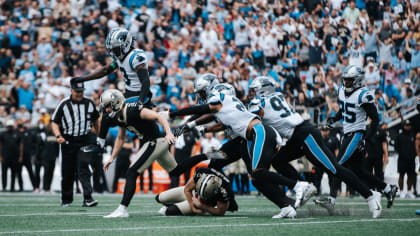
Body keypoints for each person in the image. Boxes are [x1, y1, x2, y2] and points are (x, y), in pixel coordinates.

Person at [167, 74, 316, 219]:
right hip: (245, 141)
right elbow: (211, 119)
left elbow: (202, 111)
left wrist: (173, 114)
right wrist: (192, 126)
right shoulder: (227, 107)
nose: (200, 97)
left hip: (254, 137)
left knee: (253, 172)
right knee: (250, 176)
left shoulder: (220, 100)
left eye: (201, 93)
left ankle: (297, 185)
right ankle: (286, 206)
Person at [248, 76, 384, 218]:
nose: (251, 93)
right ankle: (303, 186)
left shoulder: (259, 102)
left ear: (262, 90)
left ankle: (370, 195)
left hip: (306, 135)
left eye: (254, 90)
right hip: (297, 136)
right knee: (277, 160)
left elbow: (252, 118)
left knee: (334, 169)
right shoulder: (278, 95)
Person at [99, 89, 220, 218]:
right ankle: (207, 155)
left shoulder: (132, 110)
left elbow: (159, 116)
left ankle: (122, 209)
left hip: (155, 141)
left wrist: (168, 133)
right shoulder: (119, 116)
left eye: (108, 106)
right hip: (155, 142)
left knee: (132, 172)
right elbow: (120, 138)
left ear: (117, 102)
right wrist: (112, 157)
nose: (106, 110)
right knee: (176, 171)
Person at [327, 65, 398, 209]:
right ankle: (387, 189)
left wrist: (365, 138)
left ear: (357, 80)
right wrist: (334, 119)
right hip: (347, 134)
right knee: (359, 172)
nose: (346, 83)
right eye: (345, 80)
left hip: (356, 134)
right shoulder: (342, 90)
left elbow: (375, 119)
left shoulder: (363, 94)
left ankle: (331, 199)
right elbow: (346, 108)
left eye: (349, 80)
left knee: (337, 165)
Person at [70, 27, 152, 106]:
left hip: (140, 96)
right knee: (106, 108)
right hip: (129, 94)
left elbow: (145, 81)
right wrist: (83, 79)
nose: (113, 52)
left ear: (125, 44)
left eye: (115, 49)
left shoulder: (136, 57)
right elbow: (105, 70)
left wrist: (140, 101)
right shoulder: (121, 57)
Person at [51, 81, 100, 207]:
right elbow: (54, 122)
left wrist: (100, 136)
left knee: (84, 165)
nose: (79, 94)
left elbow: (96, 119)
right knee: (67, 171)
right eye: (77, 91)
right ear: (71, 90)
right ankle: (66, 199)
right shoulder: (64, 104)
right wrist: (58, 136)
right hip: (68, 140)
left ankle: (88, 198)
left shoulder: (89, 103)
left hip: (85, 139)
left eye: (81, 91)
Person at [156, 167, 238, 216]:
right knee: (159, 198)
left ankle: (174, 205)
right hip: (191, 193)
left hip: (203, 203)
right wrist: (192, 207)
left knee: (168, 211)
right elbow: (187, 189)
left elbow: (220, 212)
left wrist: (202, 206)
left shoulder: (225, 190)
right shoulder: (201, 173)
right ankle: (178, 203)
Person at [312, 125, 340, 213]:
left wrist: (336, 163)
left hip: (330, 164)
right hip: (320, 163)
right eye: (323, 130)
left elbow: (337, 152)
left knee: (332, 180)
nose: (325, 132)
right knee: (317, 179)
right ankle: (316, 194)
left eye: (326, 130)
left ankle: (333, 195)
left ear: (329, 131)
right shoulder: (318, 139)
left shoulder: (334, 139)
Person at [395, 120, 417, 199]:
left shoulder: (413, 135)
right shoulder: (399, 136)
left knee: (410, 175)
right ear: (403, 126)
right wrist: (403, 154)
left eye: (409, 125)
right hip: (402, 159)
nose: (408, 127)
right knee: (401, 175)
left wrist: (414, 155)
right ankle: (401, 191)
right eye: (406, 125)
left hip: (411, 159)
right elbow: (396, 147)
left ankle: (409, 191)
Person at [0, 119, 22, 192]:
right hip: (5, 156)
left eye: (11, 126)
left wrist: (20, 156)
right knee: (4, 173)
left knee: (13, 173)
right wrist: (0, 156)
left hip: (14, 157)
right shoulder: (3, 134)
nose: (10, 127)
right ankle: (4, 187)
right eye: (8, 126)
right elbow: (0, 145)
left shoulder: (17, 134)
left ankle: (12, 187)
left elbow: (21, 146)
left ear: (13, 126)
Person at [16, 121, 37, 192]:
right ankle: (21, 187)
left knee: (31, 172)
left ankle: (35, 187)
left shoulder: (28, 132)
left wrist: (33, 153)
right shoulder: (15, 132)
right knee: (19, 173)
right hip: (18, 157)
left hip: (27, 156)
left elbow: (34, 143)